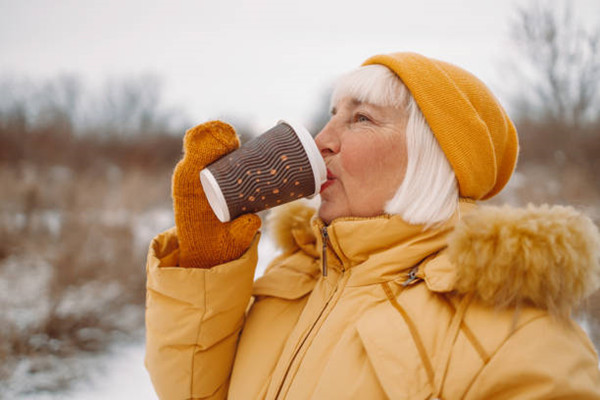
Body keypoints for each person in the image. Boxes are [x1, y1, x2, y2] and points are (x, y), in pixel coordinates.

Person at [144, 52, 600, 399]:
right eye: (332, 114)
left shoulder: (516, 332)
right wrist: (207, 261)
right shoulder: (298, 276)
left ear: (433, 158)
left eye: (361, 118)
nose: (322, 140)